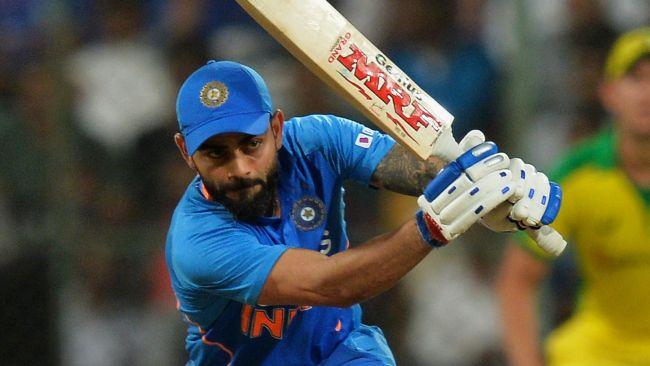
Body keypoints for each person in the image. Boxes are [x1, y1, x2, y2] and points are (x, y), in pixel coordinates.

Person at [166, 60, 560, 365]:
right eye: (216, 153)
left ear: (277, 128)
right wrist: (433, 226)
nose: (240, 168)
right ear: (186, 152)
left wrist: (479, 182)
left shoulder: (317, 141)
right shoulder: (196, 239)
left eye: (251, 144)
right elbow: (330, 286)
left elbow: (419, 170)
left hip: (341, 351)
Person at [497, 27, 650, 366]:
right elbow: (518, 280)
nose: (648, 93)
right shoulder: (578, 174)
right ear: (609, 93)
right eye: (637, 78)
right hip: (602, 349)